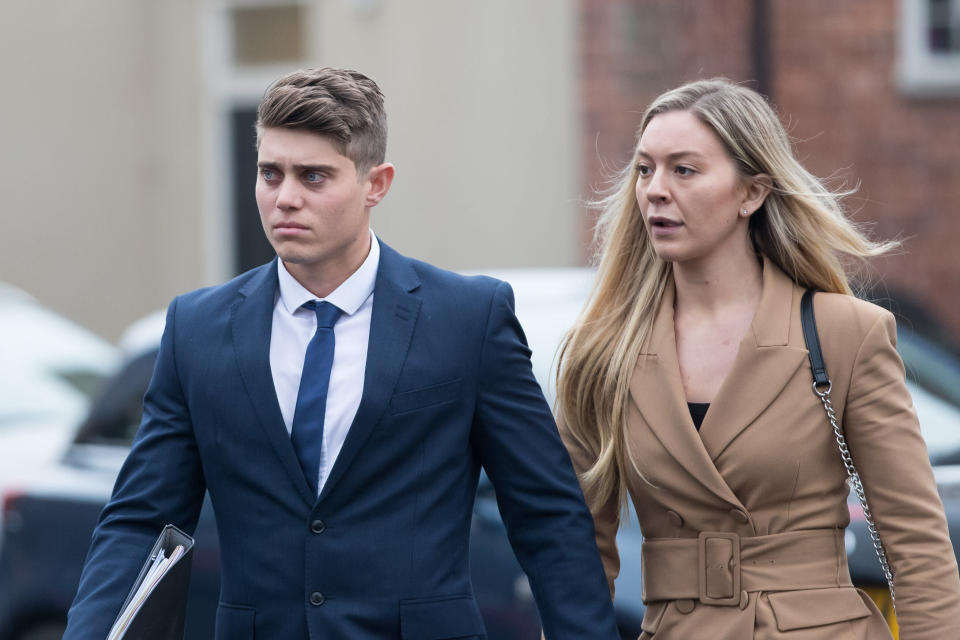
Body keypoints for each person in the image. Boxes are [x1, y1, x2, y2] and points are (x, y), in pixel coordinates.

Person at [63, 67, 619, 640]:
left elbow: (547, 515)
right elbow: (141, 520)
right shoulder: (197, 329)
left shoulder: (468, 320)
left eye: (313, 176)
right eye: (270, 174)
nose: (285, 198)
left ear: (376, 183)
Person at [555, 78, 960, 639]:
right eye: (645, 169)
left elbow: (915, 544)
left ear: (753, 192)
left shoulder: (843, 333)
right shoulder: (602, 351)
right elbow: (578, 556)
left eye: (685, 170)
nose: (655, 190)